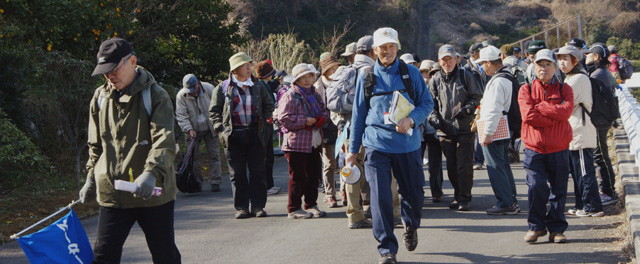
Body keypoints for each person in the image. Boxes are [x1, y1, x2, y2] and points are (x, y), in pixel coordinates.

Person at [79, 38, 181, 263]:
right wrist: (90, 177)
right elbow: (95, 145)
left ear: (132, 61)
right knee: (103, 256)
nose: (110, 77)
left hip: (152, 193)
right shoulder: (100, 97)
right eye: (105, 73)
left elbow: (164, 141)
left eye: (114, 70)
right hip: (113, 194)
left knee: (164, 254)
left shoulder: (155, 96)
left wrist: (151, 173)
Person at [346, 27, 434, 264]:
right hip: (376, 146)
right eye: (382, 47)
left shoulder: (411, 73)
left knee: (414, 196)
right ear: (374, 50)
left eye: (391, 47)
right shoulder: (366, 76)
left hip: (408, 144)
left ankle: (411, 225)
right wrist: (352, 152)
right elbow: (358, 116)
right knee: (380, 198)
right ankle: (387, 249)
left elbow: (427, 103)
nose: (387, 51)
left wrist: (411, 120)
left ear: (397, 48)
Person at [209, 52, 274, 219]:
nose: (249, 68)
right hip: (233, 135)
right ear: (235, 69)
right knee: (237, 174)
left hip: (255, 133)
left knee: (258, 172)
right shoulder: (223, 88)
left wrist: (266, 122)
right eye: (245, 65)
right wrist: (220, 129)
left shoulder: (258, 85)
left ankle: (258, 207)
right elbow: (214, 111)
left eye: (249, 65)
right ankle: (242, 207)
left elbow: (268, 104)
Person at [519, 49, 574, 244]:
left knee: (559, 190)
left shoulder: (564, 89)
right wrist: (554, 116)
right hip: (534, 148)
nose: (544, 68)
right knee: (536, 187)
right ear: (534, 67)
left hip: (559, 147)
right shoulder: (525, 89)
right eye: (540, 64)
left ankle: (557, 229)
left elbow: (566, 113)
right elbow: (528, 116)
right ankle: (536, 227)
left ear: (555, 67)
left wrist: (542, 107)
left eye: (548, 64)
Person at [428, 44, 483, 211]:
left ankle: (464, 197)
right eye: (444, 59)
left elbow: (477, 97)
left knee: (464, 166)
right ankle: (457, 194)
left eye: (450, 59)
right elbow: (430, 104)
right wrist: (434, 118)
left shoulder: (466, 76)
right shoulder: (435, 80)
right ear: (439, 61)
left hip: (465, 128)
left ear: (456, 59)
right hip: (445, 131)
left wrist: (467, 109)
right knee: (451, 166)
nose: (447, 63)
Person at [277, 63, 330, 219]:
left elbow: (324, 112)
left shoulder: (315, 94)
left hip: (314, 140)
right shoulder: (290, 95)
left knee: (314, 175)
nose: (307, 80)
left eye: (310, 76)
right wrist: (303, 121)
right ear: (296, 80)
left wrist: (321, 119)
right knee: (298, 177)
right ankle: (294, 208)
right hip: (296, 143)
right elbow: (283, 118)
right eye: (303, 77)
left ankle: (311, 205)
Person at [556, 45, 604, 217]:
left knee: (585, 171)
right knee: (577, 171)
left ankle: (592, 206)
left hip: (581, 129)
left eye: (565, 59)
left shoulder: (578, 79)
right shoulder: (572, 77)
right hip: (575, 130)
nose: (561, 62)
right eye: (559, 59)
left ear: (575, 61)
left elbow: (562, 103)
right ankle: (581, 205)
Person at [475, 45, 520, 215]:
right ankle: (511, 199)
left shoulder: (497, 81)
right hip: (504, 125)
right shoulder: (507, 77)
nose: (481, 66)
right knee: (503, 165)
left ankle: (505, 202)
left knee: (495, 166)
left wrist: (487, 133)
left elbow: (494, 109)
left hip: (495, 127)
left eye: (482, 63)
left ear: (488, 62)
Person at [584, 43, 619, 206]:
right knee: (601, 155)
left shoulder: (596, 75)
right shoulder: (602, 72)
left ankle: (608, 191)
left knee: (601, 156)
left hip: (599, 121)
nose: (586, 57)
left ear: (597, 57)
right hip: (603, 119)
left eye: (589, 54)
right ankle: (607, 189)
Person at [176, 74, 223, 192]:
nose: (191, 92)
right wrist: (188, 129)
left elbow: (218, 107)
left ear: (198, 84)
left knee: (214, 155)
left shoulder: (209, 89)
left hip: (210, 128)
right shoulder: (181, 96)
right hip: (193, 129)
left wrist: (217, 125)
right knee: (193, 158)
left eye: (193, 89)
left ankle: (216, 181)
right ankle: (197, 183)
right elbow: (181, 115)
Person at [315, 55, 342, 207]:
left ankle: (344, 191)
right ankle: (330, 194)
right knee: (329, 163)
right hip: (326, 128)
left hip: (342, 126)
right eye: (331, 69)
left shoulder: (342, 82)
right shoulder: (318, 87)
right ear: (324, 71)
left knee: (344, 162)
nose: (334, 71)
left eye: (336, 68)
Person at [419, 60, 444, 203]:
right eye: (424, 72)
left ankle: (437, 191)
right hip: (419, 130)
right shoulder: (416, 87)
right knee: (417, 164)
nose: (427, 76)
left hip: (433, 130)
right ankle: (419, 190)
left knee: (435, 164)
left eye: (430, 73)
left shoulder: (440, 87)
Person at [255, 61, 281, 195]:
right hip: (264, 126)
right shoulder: (262, 86)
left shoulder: (263, 84)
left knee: (268, 156)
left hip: (267, 125)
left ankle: (269, 184)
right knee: (266, 157)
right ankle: (267, 185)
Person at [464, 43, 488, 170]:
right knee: (477, 131)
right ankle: (477, 159)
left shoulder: (484, 66)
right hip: (475, 103)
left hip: (486, 101)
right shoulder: (467, 69)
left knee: (484, 130)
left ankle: (482, 158)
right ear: (474, 53)